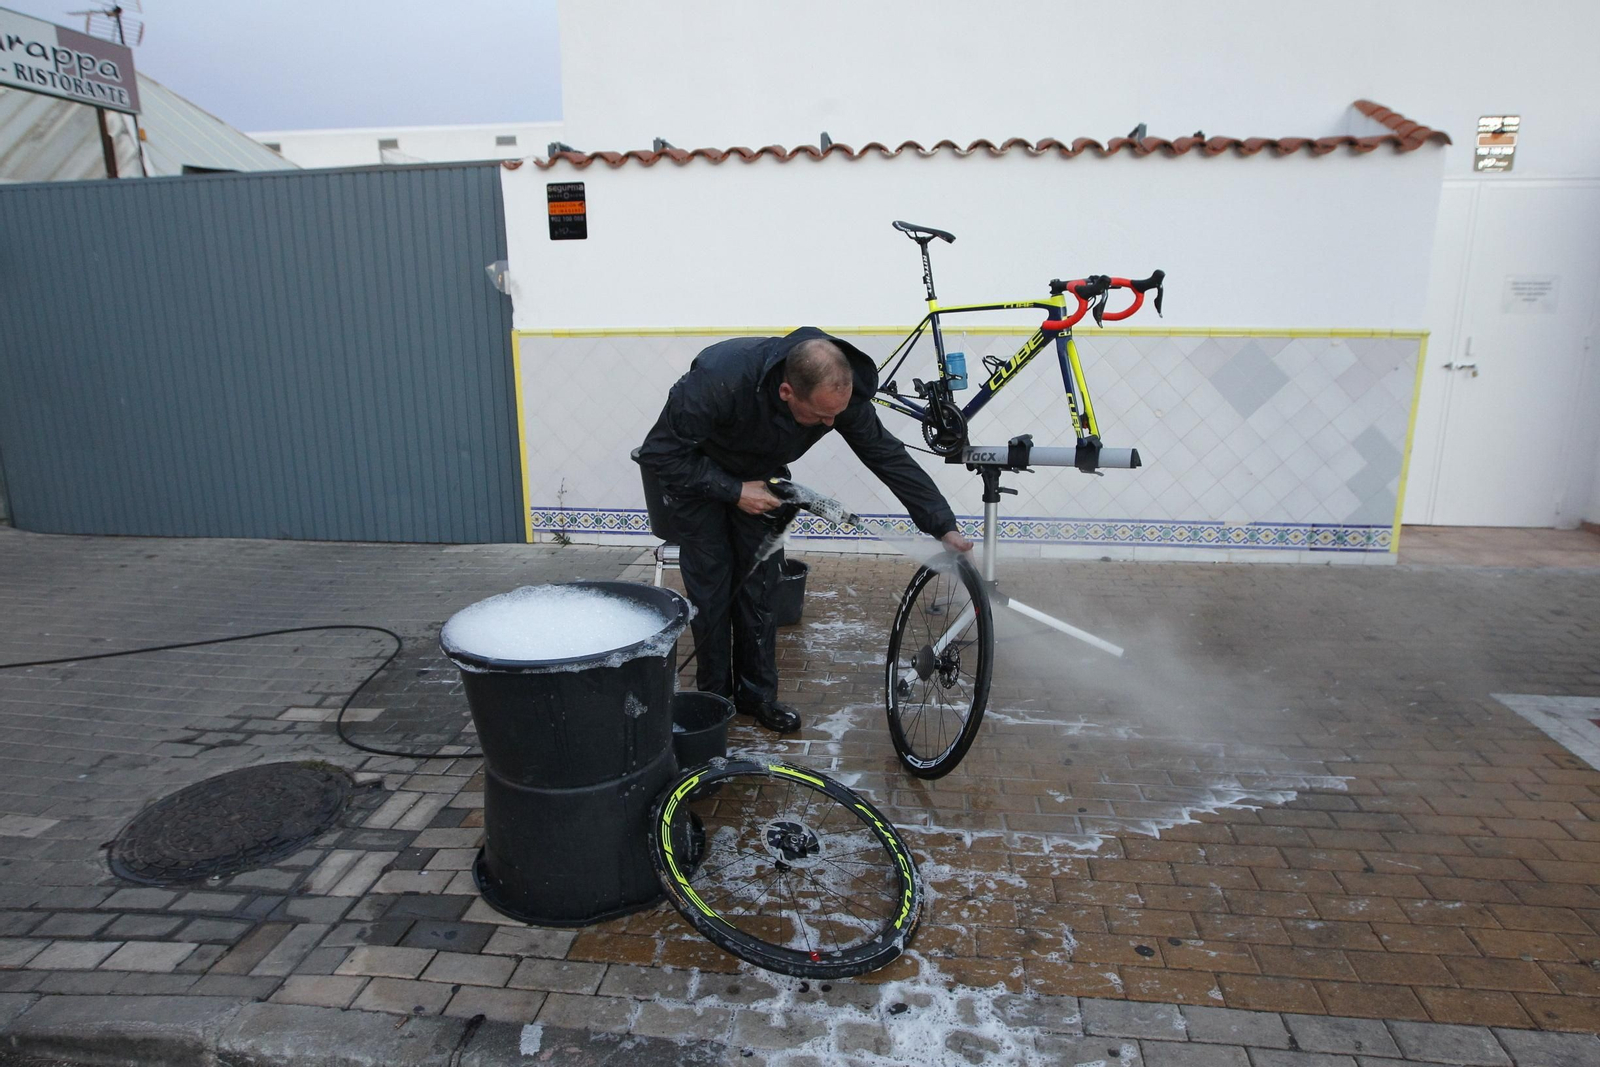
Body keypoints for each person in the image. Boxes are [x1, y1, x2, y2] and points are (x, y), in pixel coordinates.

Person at [637, 327, 972, 734]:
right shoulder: (719, 379)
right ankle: (715, 700)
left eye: (837, 413)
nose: (831, 423)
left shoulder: (838, 394)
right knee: (712, 592)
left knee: (759, 590)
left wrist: (943, 525)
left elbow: (886, 455)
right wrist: (734, 490)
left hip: (761, 477)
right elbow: (659, 454)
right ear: (786, 392)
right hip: (695, 480)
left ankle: (757, 697)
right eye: (820, 416)